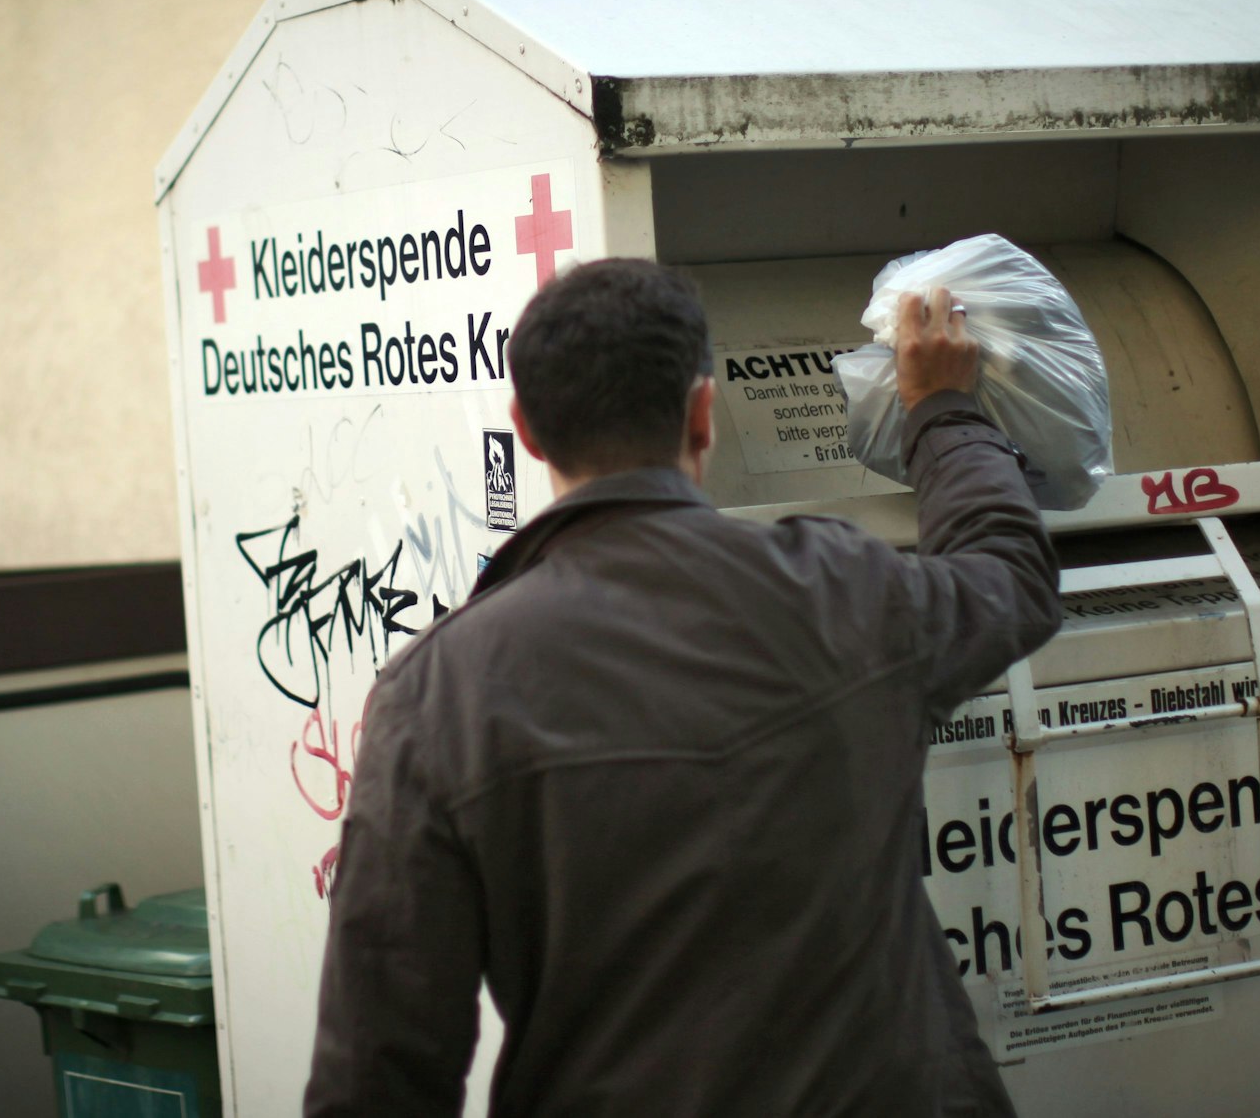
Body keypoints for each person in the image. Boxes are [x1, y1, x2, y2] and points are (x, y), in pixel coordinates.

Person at [305, 258, 1060, 1117]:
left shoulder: (435, 695)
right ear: (703, 411)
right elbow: (1011, 579)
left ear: (527, 429)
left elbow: (382, 1068)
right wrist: (939, 411)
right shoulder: (844, 590)